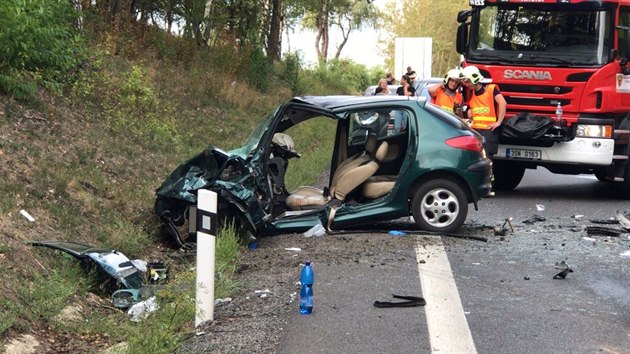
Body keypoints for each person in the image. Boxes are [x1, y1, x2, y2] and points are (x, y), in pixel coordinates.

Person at [460, 65, 507, 196]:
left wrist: (499, 122)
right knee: (474, 159)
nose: (467, 84)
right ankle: (477, 186)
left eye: (468, 81)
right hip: (475, 130)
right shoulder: (472, 93)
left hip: (488, 130)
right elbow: (473, 109)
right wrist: (469, 113)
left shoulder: (491, 89)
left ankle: (488, 187)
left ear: (475, 79)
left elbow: (502, 103)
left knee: (488, 159)